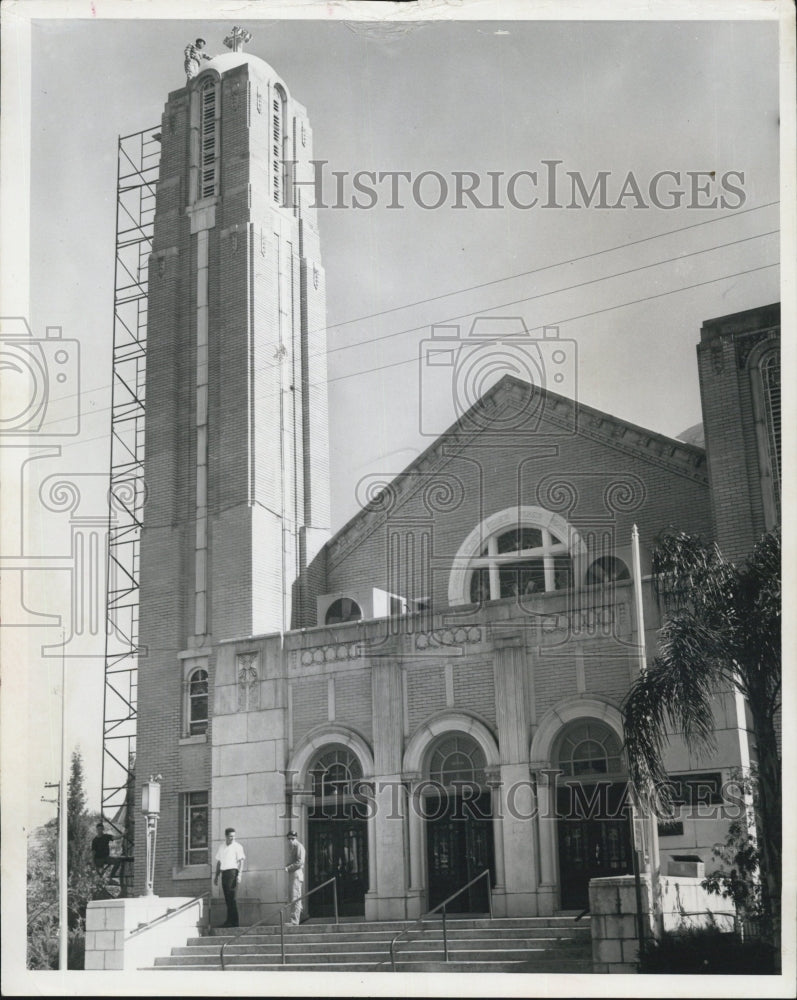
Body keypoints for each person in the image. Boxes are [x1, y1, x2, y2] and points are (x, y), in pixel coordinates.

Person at [214, 827, 246, 928]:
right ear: (226, 836)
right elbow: (219, 862)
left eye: (234, 836)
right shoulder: (221, 847)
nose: (232, 838)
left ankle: (235, 922)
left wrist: (239, 875)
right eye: (230, 836)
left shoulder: (237, 846)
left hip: (233, 873)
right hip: (224, 873)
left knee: (232, 897)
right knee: (227, 898)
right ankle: (229, 921)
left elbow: (241, 861)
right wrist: (216, 876)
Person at [285, 831, 306, 925]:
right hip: (293, 874)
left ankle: (294, 921)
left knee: (295, 897)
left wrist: (289, 867)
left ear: (296, 838)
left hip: (296, 874)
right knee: (293, 896)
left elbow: (300, 862)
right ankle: (299, 917)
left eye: (292, 839)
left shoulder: (299, 846)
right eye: (289, 839)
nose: (291, 841)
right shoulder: (293, 847)